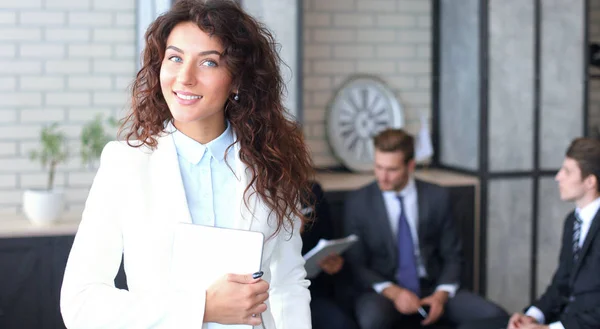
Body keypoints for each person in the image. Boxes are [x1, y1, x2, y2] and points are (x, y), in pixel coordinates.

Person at [60, 1, 313, 328]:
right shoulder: (125, 164)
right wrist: (201, 308)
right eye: (175, 58)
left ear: (237, 79)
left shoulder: (270, 163)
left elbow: (288, 284)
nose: (185, 77)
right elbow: (81, 302)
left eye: (208, 62)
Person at [344, 128, 507, 329]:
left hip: (432, 287)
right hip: (384, 290)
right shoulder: (359, 202)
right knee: (372, 319)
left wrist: (440, 296)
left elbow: (453, 256)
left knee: (495, 316)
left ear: (410, 165)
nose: (383, 177)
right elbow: (357, 265)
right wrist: (395, 293)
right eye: (378, 167)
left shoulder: (436, 196)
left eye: (392, 170)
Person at [460, 137, 600, 329]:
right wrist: (533, 315)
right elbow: (561, 284)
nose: (558, 177)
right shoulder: (572, 222)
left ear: (590, 181)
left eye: (567, 172)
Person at [301, 181, 359, 329]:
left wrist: (333, 262)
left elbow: (326, 239)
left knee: (342, 324)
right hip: (271, 291)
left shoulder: (311, 191)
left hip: (312, 290)